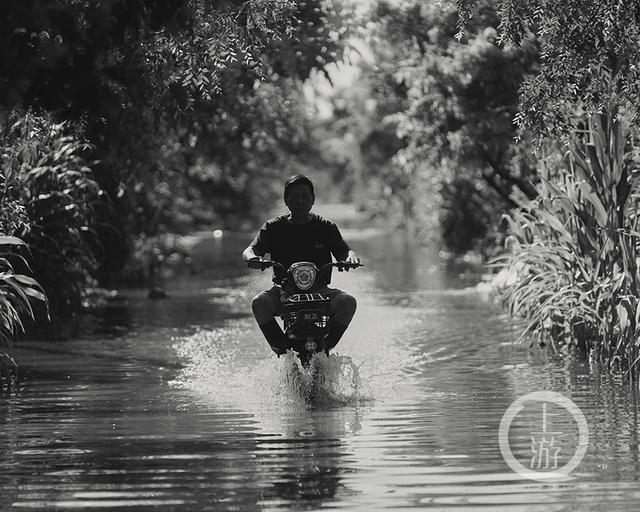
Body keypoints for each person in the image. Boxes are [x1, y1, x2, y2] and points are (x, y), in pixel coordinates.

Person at [242, 174, 361, 356]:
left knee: (348, 302)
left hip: (320, 292)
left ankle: (325, 347)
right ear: (286, 200)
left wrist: (351, 258)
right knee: (260, 303)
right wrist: (253, 258)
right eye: (294, 197)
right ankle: (282, 349)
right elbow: (250, 250)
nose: (300, 201)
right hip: (284, 292)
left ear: (313, 200)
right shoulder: (272, 227)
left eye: (305, 197)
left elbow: (345, 251)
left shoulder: (326, 227)